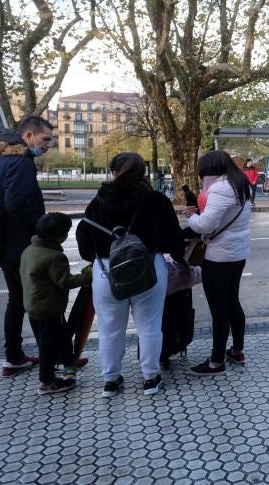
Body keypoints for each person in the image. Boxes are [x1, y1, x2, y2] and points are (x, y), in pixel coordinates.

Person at [76, 152, 184, 397]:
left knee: (109, 328)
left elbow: (84, 247)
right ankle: (150, 378)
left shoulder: (97, 203)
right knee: (150, 326)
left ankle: (111, 381)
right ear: (143, 172)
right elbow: (173, 240)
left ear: (113, 171)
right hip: (149, 269)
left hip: (106, 272)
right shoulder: (156, 201)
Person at [0, 116, 55, 377]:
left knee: (17, 301)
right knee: (37, 302)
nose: (49, 144)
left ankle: (13, 358)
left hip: (3, 244)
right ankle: (51, 362)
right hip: (21, 246)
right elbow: (17, 202)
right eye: (46, 138)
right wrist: (40, 229)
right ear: (29, 136)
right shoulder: (20, 161)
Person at [184, 151, 252, 376]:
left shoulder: (220, 188)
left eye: (203, 172)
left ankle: (216, 362)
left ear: (211, 170)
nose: (202, 176)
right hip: (237, 254)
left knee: (219, 309)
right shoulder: (241, 184)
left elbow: (204, 225)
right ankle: (237, 351)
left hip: (219, 258)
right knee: (233, 301)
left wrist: (191, 217)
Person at [20, 213, 92, 394]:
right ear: (60, 236)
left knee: (58, 338)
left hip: (34, 306)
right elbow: (65, 281)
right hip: (49, 310)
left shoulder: (29, 249)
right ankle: (47, 381)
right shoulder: (54, 257)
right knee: (49, 347)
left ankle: (68, 362)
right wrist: (88, 277)